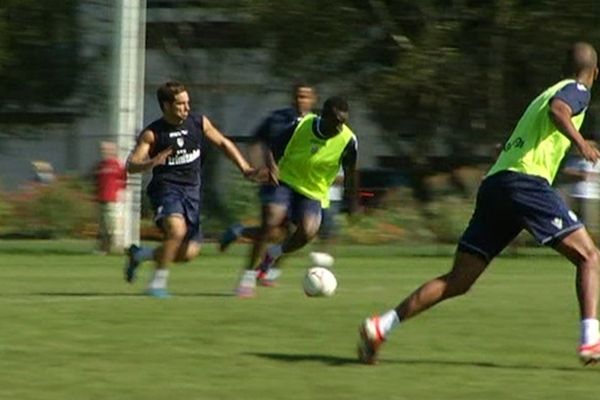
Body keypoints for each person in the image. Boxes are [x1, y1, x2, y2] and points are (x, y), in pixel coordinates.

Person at [357, 42, 600, 365]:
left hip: (496, 185)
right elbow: (560, 109)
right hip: (525, 183)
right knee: (590, 257)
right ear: (595, 73)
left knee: (458, 280)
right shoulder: (577, 89)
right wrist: (581, 143)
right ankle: (591, 341)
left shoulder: (547, 91)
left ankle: (381, 325)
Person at [124, 81, 263, 298]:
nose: (187, 108)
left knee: (188, 253)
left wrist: (245, 168)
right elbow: (131, 165)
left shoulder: (199, 122)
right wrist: (151, 163)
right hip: (166, 190)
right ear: (166, 105)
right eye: (180, 104)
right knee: (176, 231)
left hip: (192, 193)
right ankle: (156, 284)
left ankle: (140, 255)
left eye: (188, 103)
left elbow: (224, 143)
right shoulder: (153, 134)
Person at [236, 96, 359, 298]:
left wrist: (352, 200)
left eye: (343, 122)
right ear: (324, 116)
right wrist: (272, 168)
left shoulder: (349, 140)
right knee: (271, 220)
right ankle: (248, 276)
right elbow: (272, 148)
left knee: (308, 232)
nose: (339, 126)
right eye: (336, 121)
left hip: (314, 191)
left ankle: (272, 255)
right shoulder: (301, 125)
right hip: (285, 180)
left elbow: (351, 171)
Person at [219, 83, 318, 284]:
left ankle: (261, 261)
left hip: (303, 185)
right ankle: (247, 277)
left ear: (313, 100)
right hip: (276, 179)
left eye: (306, 96)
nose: (301, 100)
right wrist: (257, 167)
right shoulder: (276, 119)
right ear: (292, 98)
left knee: (294, 233)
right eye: (298, 96)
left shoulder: (317, 124)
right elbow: (255, 142)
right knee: (271, 221)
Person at [94, 141, 127, 254]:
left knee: (111, 225)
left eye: (107, 150)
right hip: (101, 198)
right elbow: (96, 182)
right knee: (102, 226)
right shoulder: (100, 166)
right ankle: (103, 248)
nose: (105, 152)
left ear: (114, 151)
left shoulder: (118, 165)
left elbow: (124, 181)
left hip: (113, 199)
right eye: (103, 150)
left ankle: (113, 247)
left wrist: (122, 194)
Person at [562, 146, 600, 237]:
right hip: (573, 195)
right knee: (571, 226)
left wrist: (587, 175)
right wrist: (581, 175)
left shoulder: (598, 161)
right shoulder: (573, 160)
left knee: (590, 227)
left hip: (590, 198)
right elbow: (565, 172)